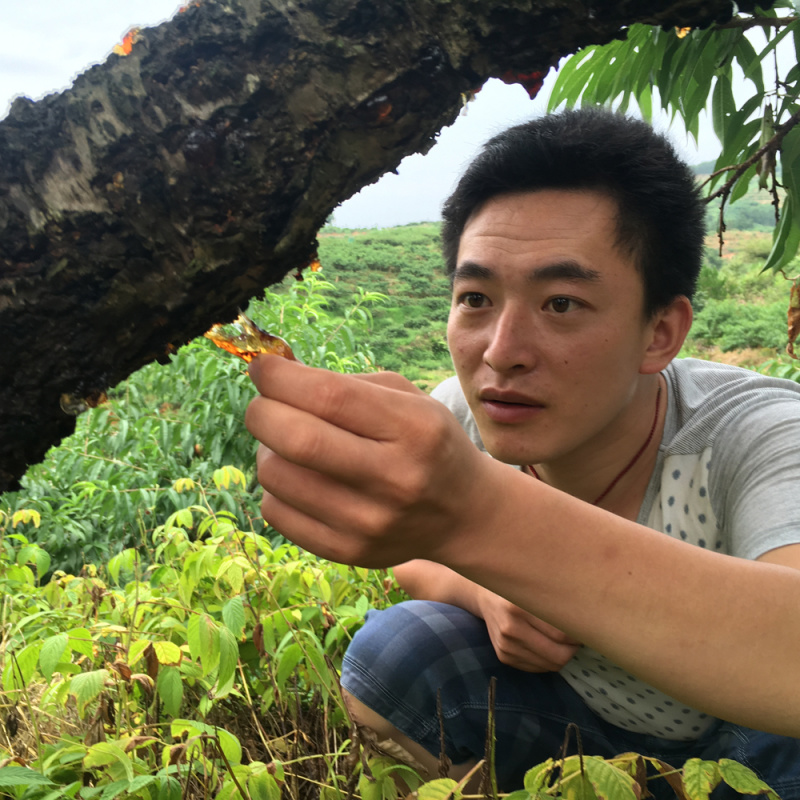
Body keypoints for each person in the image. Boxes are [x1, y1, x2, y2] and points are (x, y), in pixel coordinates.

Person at [245, 108, 800, 798]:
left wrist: (482, 515)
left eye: (561, 304)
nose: (501, 353)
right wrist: (479, 588)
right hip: (578, 724)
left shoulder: (759, 431)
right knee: (396, 652)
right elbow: (417, 555)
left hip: (755, 748)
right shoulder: (462, 411)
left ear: (660, 331)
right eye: (475, 297)